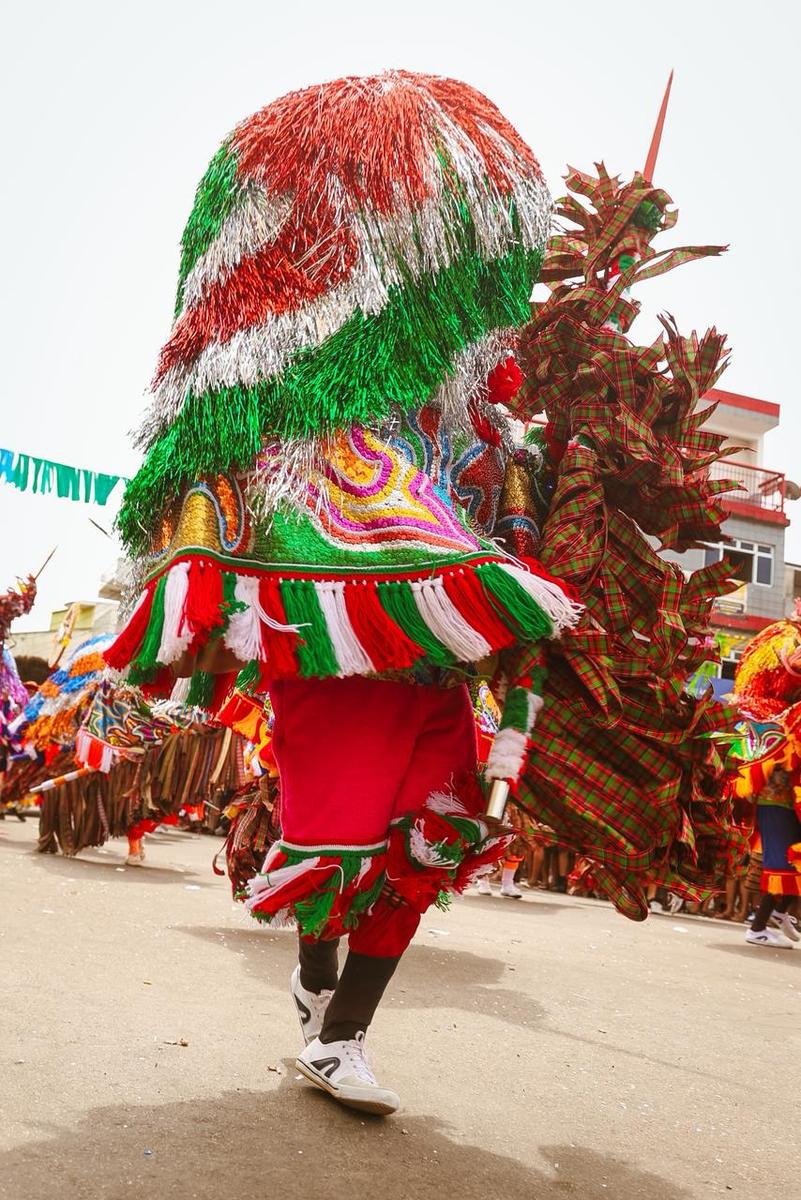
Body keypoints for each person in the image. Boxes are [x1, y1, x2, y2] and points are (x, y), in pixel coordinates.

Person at [104, 71, 580, 1115]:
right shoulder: (297, 416)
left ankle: (344, 1036)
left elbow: (514, 534)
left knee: (434, 833)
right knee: (344, 845)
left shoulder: (481, 418)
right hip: (336, 668)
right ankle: (319, 987)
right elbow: (232, 521)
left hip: (438, 676)